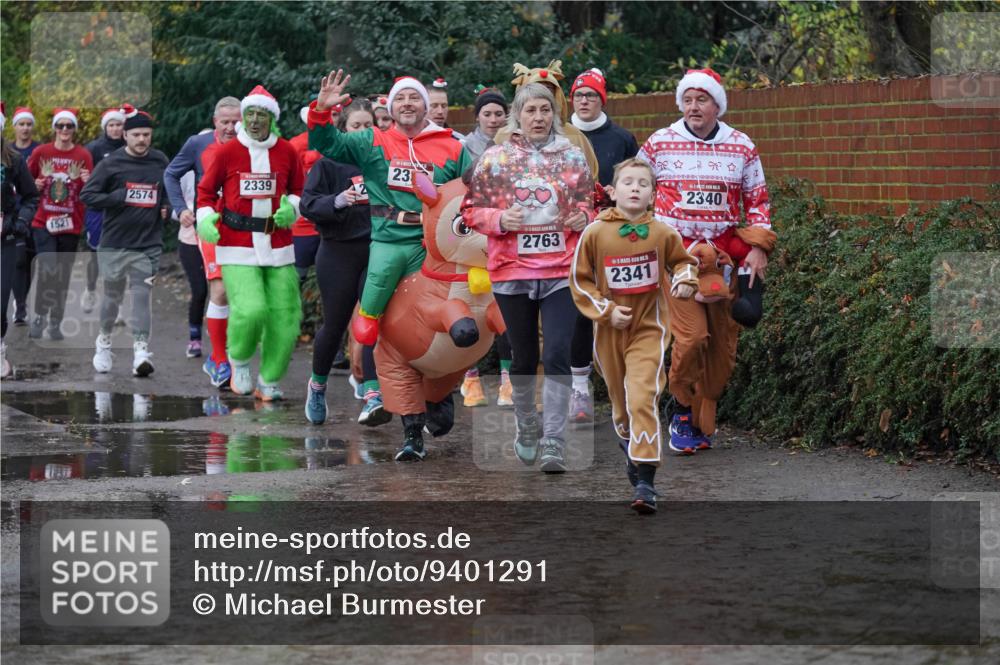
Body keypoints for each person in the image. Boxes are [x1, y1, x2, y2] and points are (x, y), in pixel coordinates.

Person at [637, 68, 775, 452]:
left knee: (721, 353)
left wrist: (759, 246)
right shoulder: (659, 143)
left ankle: (704, 400)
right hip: (677, 256)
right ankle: (680, 406)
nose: (694, 107)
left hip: (724, 259)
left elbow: (758, 201)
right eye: (688, 99)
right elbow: (635, 188)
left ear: (718, 105)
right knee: (692, 336)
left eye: (702, 100)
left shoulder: (741, 146)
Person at [461, 82, 594, 474]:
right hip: (512, 271)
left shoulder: (571, 155)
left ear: (555, 114)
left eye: (545, 110)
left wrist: (583, 217)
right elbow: (470, 210)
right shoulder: (496, 159)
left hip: (559, 270)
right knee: (523, 356)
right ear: (517, 116)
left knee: (556, 352)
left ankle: (554, 439)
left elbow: (591, 201)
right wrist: (499, 219)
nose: (539, 118)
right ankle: (527, 423)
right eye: (531, 110)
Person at [570, 158, 698, 513]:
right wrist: (607, 311)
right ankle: (630, 441)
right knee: (621, 403)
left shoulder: (662, 231)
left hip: (648, 327)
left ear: (653, 195)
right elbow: (579, 283)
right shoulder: (594, 233)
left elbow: (683, 261)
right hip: (609, 330)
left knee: (642, 395)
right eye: (628, 182)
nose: (635, 188)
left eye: (643, 184)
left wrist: (687, 280)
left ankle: (646, 481)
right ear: (612, 191)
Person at [308, 70, 471, 347]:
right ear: (391, 107)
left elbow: (470, 193)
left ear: (426, 107)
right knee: (373, 314)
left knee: (430, 314)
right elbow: (328, 144)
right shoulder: (373, 140)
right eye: (401, 99)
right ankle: (371, 380)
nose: (407, 103)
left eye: (414, 98)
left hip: (432, 246)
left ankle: (438, 381)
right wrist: (321, 112)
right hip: (388, 239)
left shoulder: (453, 147)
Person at [196, 85, 304, 400]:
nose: (255, 121)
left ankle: (269, 380)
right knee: (251, 309)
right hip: (236, 242)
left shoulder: (287, 151)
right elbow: (205, 193)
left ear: (272, 119)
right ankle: (239, 361)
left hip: (279, 243)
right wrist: (205, 220)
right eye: (250, 114)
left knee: (285, 315)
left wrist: (291, 208)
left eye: (261, 115)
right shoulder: (226, 152)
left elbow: (299, 190)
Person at [301, 98, 390, 427]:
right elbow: (308, 205)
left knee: (371, 321)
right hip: (337, 251)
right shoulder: (328, 164)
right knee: (334, 326)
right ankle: (317, 385)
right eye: (357, 126)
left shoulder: (383, 161)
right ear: (344, 130)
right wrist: (338, 200)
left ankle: (371, 394)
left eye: (370, 125)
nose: (364, 132)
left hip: (377, 250)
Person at [566, 68, 642, 424]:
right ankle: (579, 386)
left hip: (613, 233)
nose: (584, 101)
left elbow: (637, 181)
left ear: (602, 100)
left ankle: (626, 386)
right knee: (580, 307)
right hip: (570, 235)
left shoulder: (622, 138)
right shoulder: (560, 136)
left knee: (619, 306)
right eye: (579, 95)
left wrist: (619, 195)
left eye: (591, 96)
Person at [81, 108, 170, 377]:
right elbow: (88, 195)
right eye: (136, 135)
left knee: (142, 296)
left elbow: (167, 191)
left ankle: (141, 351)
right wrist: (118, 197)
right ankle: (104, 343)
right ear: (126, 136)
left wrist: (164, 206)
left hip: (148, 243)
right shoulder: (111, 164)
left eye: (146, 135)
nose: (142, 139)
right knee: (113, 297)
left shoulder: (159, 160)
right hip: (115, 242)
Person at [165, 96, 240, 382]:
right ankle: (220, 360)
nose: (231, 128)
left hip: (247, 227)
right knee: (219, 290)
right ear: (215, 122)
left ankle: (232, 354)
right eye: (226, 122)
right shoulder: (198, 144)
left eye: (237, 122)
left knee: (240, 295)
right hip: (210, 226)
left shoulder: (255, 146)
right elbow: (171, 174)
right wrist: (182, 209)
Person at [458, 86, 514, 408]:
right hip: (472, 234)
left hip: (505, 233)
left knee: (505, 309)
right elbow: (459, 185)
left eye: (498, 113)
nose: (493, 119)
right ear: (477, 116)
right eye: (487, 113)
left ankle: (507, 380)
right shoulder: (465, 146)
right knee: (472, 308)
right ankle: (470, 377)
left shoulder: (514, 144)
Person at [27, 108, 93, 340]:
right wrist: (34, 184)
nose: (64, 130)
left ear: (74, 129)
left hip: (70, 224)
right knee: (48, 269)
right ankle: (38, 316)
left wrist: (88, 182)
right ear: (54, 128)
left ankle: (55, 321)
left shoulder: (83, 155)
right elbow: (25, 182)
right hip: (43, 221)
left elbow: (91, 192)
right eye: (60, 125)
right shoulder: (41, 152)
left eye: (69, 126)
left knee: (62, 274)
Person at [1, 103, 41, 378]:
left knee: (0, 299)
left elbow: (31, 196)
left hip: (4, 239)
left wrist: (19, 222)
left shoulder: (12, 159)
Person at [81, 106, 127, 314]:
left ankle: (116, 302)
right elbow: (84, 175)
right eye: (112, 125)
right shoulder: (94, 148)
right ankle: (90, 290)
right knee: (97, 253)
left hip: (122, 209)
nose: (116, 129)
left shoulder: (130, 147)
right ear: (105, 127)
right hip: (98, 208)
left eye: (119, 125)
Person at [8, 106, 39, 325]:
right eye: (21, 124)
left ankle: (22, 299)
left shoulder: (38, 151)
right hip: (10, 217)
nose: (25, 128)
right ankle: (19, 305)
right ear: (14, 127)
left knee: (28, 262)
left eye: (29, 124)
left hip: (31, 216)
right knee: (17, 262)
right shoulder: (7, 151)